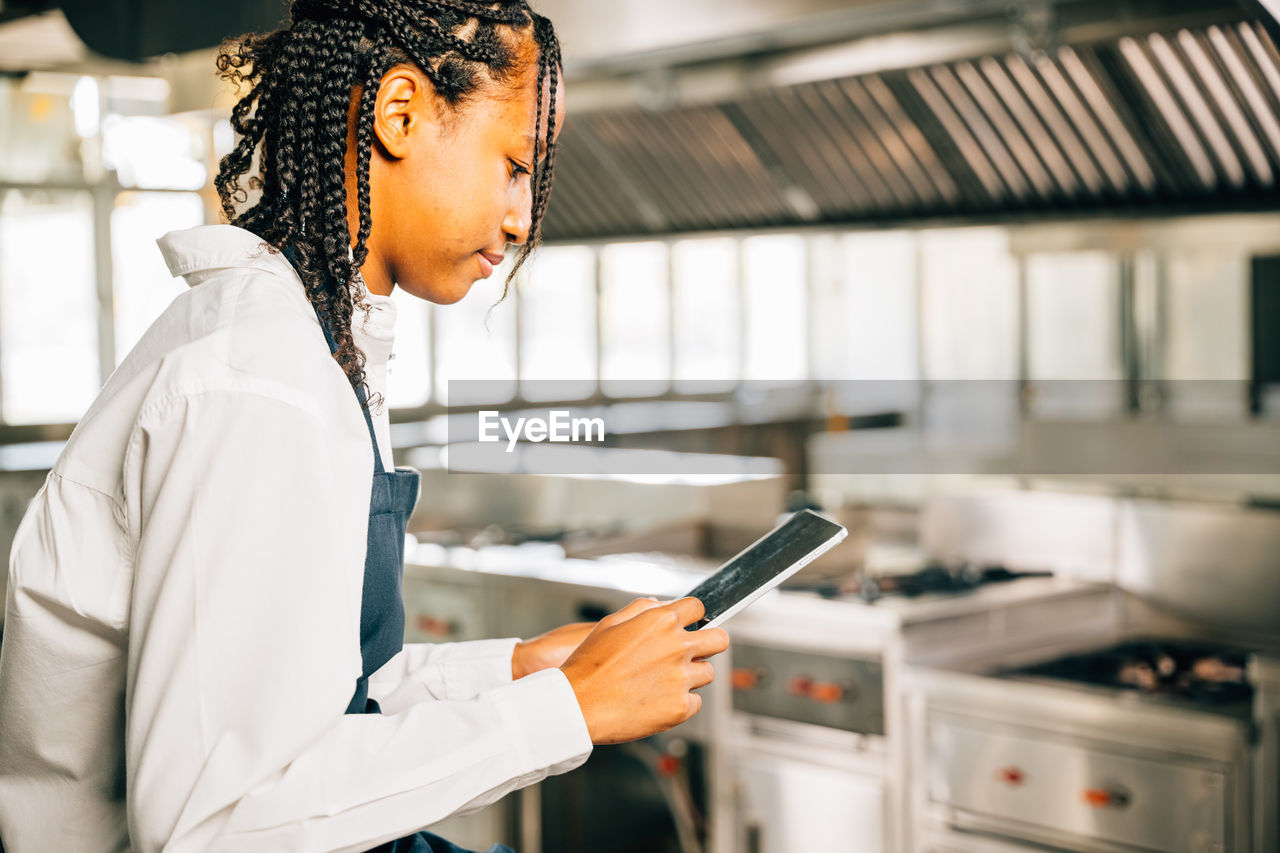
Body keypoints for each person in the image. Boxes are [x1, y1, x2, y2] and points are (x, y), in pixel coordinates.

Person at [0, 1, 730, 850]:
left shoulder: (306, 342)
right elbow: (215, 821)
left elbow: (319, 703)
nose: (522, 217)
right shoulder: (259, 383)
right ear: (400, 113)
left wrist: (520, 668)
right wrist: (565, 711)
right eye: (513, 165)